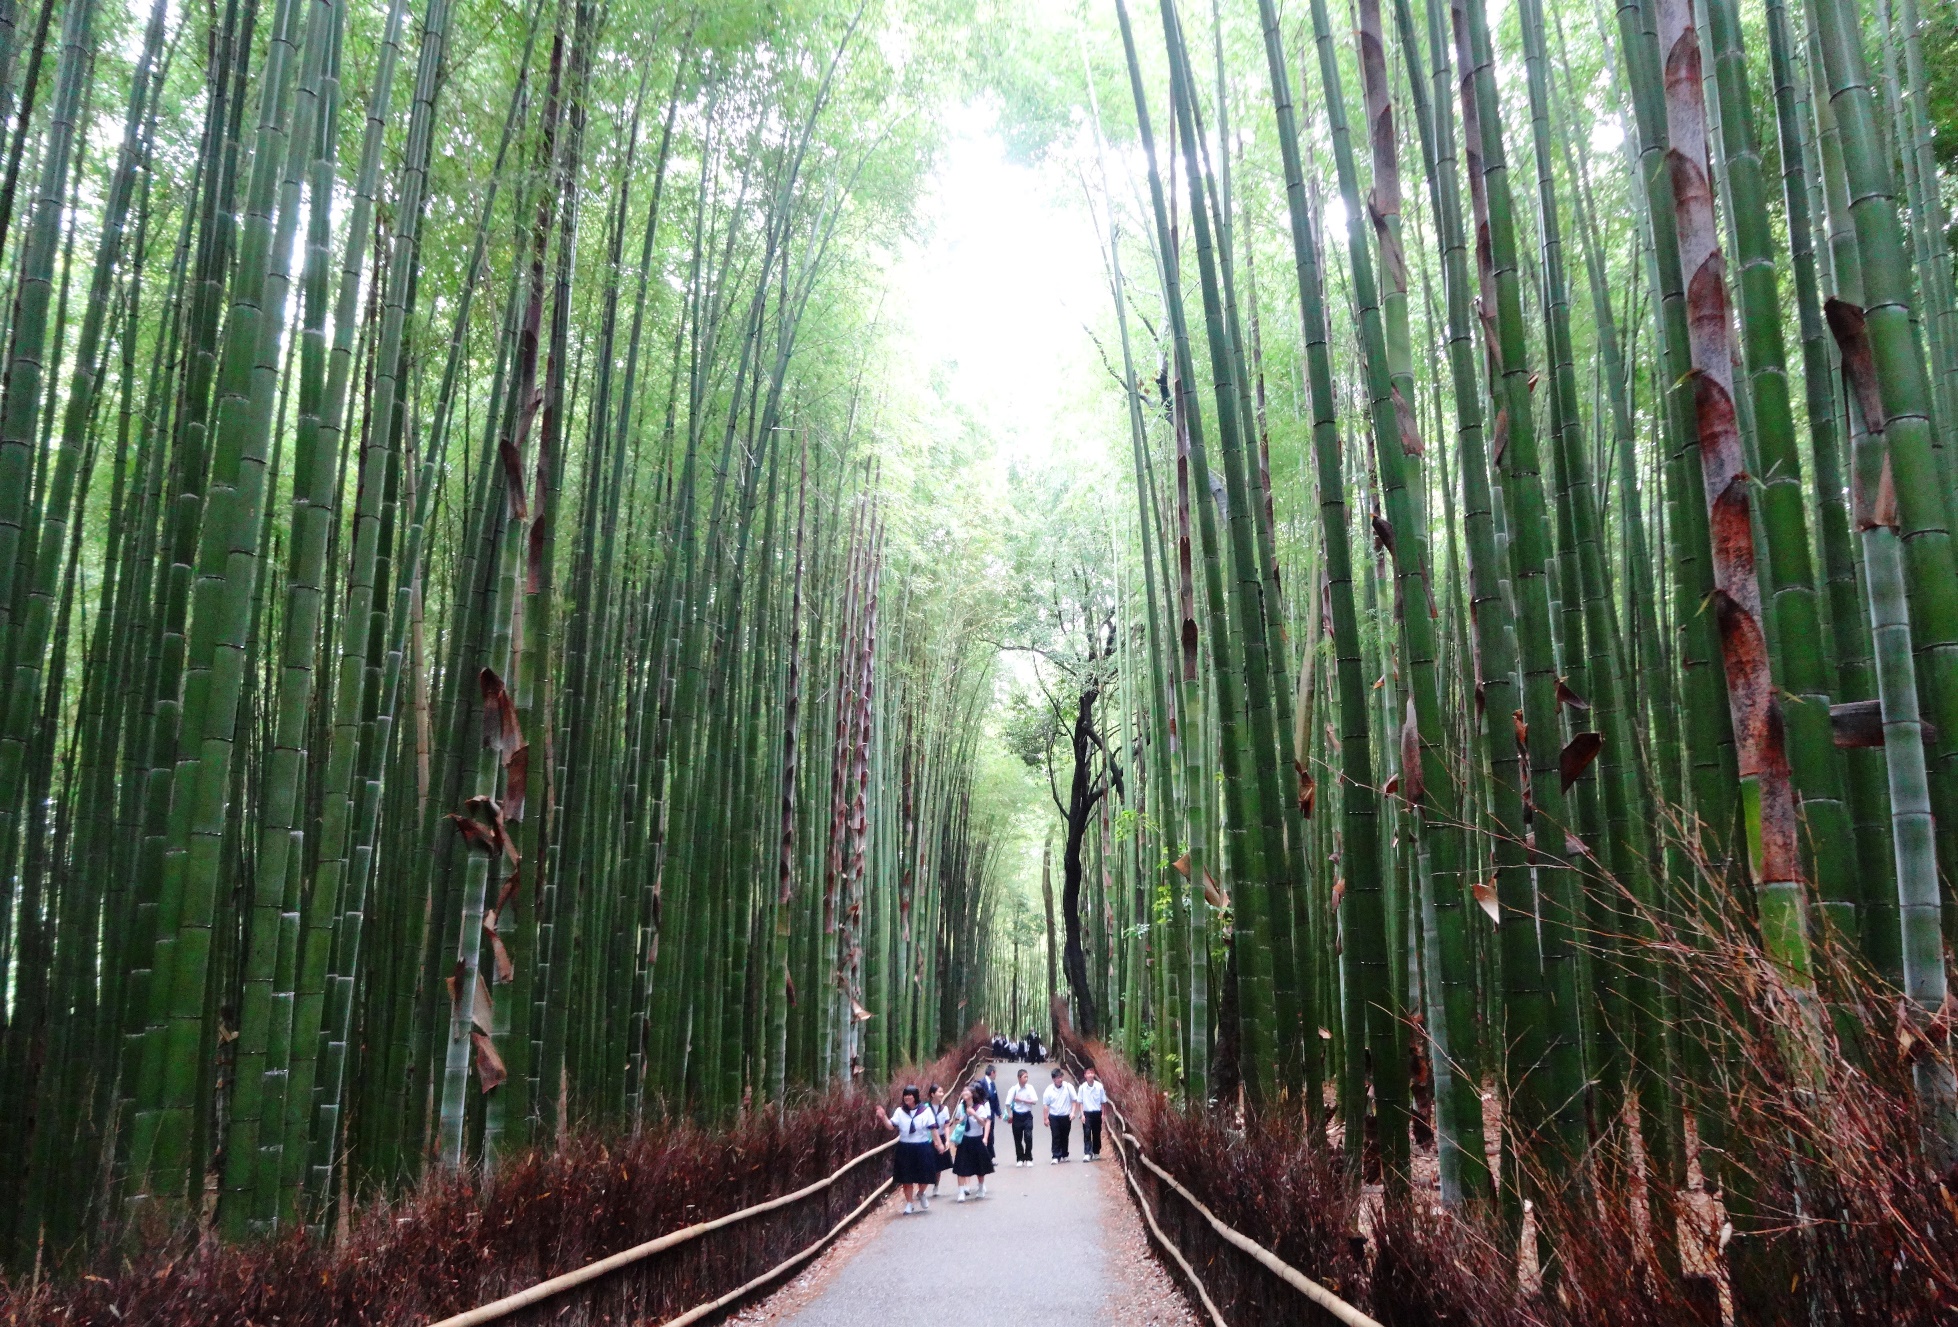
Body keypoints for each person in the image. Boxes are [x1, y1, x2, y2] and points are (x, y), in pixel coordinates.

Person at [882, 1085, 940, 1214]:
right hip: (905, 1147)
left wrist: (939, 1143)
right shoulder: (899, 1111)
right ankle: (909, 1203)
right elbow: (891, 1126)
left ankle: (921, 1192)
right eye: (905, 1095)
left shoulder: (925, 1110)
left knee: (924, 1175)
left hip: (922, 1146)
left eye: (910, 1095)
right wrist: (883, 1117)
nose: (907, 1097)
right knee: (906, 1177)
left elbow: (933, 1129)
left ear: (915, 1096)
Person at [952, 1082, 994, 1200]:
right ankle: (961, 1192)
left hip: (977, 1139)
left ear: (972, 1094)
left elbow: (983, 1123)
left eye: (966, 1091)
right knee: (961, 1167)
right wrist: (959, 1121)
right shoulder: (961, 1107)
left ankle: (980, 1187)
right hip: (964, 1139)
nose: (964, 1093)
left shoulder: (980, 1107)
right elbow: (955, 1120)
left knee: (979, 1166)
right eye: (963, 1091)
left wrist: (974, 1114)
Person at [1041, 1067, 1077, 1164]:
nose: (1060, 1079)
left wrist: (1073, 1112)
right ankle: (1056, 1155)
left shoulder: (1068, 1087)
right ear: (1053, 1079)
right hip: (1054, 1116)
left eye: (1061, 1077)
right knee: (1056, 1136)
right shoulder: (1049, 1090)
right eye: (1057, 1078)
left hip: (1066, 1115)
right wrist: (1045, 1118)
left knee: (1065, 1136)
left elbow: (1074, 1101)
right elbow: (1046, 1105)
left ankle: (1065, 1154)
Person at [1006, 1067, 1039, 1165]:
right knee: (1017, 1138)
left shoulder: (1030, 1088)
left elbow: (1034, 1101)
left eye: (1027, 1077)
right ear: (1019, 1078)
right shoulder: (1014, 1089)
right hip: (1017, 1116)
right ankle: (1020, 1158)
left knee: (1028, 1137)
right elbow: (1007, 1103)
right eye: (1025, 1077)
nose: (1026, 1079)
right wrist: (1010, 1115)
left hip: (1027, 1115)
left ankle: (1028, 1157)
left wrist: (1022, 1100)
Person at [927, 1084, 953, 1195]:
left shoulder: (944, 1109)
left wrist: (947, 1140)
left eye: (942, 1092)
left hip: (941, 1137)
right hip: (928, 1138)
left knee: (938, 1164)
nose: (942, 1094)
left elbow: (946, 1125)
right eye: (939, 1092)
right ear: (932, 1094)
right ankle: (922, 1186)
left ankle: (936, 1186)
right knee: (927, 1163)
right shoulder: (925, 1108)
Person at [1078, 1067, 1107, 1161]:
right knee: (1087, 1133)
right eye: (1088, 1073)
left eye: (1092, 1073)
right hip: (1087, 1113)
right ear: (1085, 1075)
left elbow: (1103, 1101)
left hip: (1097, 1112)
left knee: (1096, 1133)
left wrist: (1103, 1114)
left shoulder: (1099, 1086)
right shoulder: (1082, 1087)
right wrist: (1082, 1114)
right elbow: (1080, 1102)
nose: (1090, 1075)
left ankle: (1096, 1152)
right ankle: (1087, 1153)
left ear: (1094, 1074)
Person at [981, 1066, 1003, 1159]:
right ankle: (985, 1157)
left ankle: (990, 1157)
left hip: (991, 1113)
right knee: (985, 1134)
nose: (996, 1075)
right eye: (995, 1073)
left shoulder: (992, 1084)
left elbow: (995, 1099)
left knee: (991, 1135)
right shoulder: (981, 1083)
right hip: (983, 1114)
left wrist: (999, 1113)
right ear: (992, 1072)